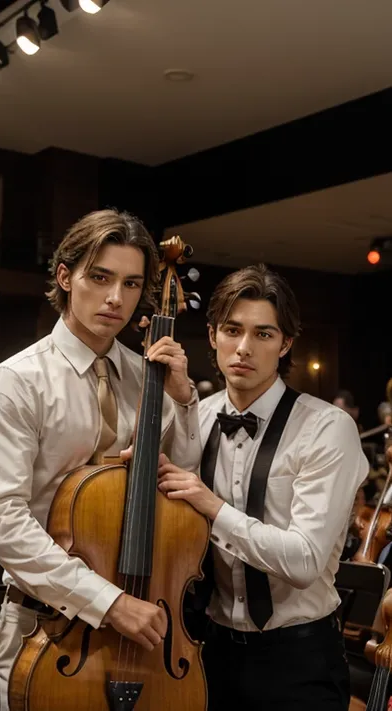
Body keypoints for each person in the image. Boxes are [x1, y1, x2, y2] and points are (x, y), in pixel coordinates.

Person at [0, 209, 201, 710]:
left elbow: (181, 489)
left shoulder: (149, 377)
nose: (116, 297)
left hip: (145, 618)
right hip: (45, 625)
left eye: (131, 283)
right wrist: (108, 602)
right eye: (100, 277)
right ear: (64, 276)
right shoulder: (17, 382)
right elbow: (2, 522)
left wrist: (183, 401)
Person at [157, 264, 369, 711]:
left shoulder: (328, 428)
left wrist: (212, 506)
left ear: (286, 343)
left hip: (299, 658)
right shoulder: (195, 416)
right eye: (233, 330)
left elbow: (304, 561)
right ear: (212, 335)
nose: (244, 348)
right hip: (207, 650)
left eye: (263, 334)